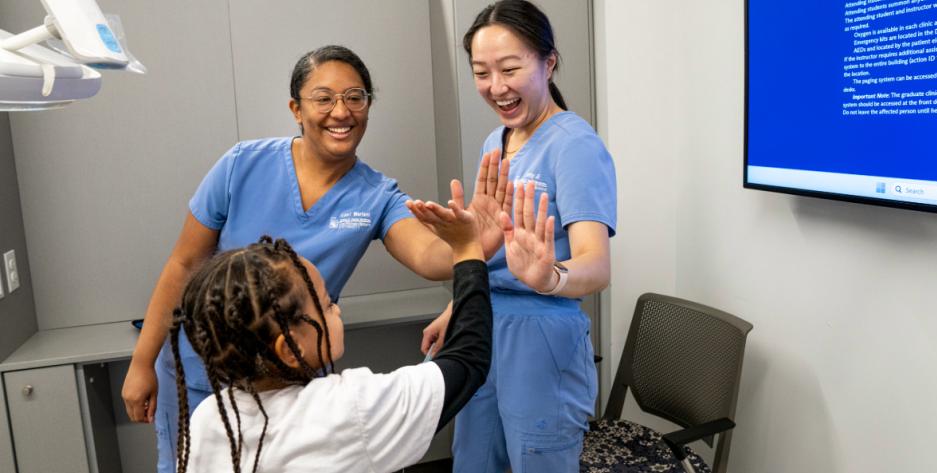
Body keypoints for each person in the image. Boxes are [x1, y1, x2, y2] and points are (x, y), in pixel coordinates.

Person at [121, 45, 510, 473]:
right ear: (296, 108)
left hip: (292, 376)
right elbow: (182, 266)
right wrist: (142, 362)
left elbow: (430, 255)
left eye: (355, 97)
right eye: (323, 98)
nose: (341, 111)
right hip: (203, 368)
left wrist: (472, 245)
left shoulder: (376, 195)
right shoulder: (241, 166)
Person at [417, 1, 617, 471]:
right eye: (481, 72)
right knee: (474, 458)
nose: (496, 87)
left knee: (536, 460)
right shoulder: (497, 142)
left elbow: (597, 265)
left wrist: (550, 277)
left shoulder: (574, 145)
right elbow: (488, 250)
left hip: (542, 336)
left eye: (510, 68)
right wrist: (458, 307)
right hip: (486, 324)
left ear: (548, 63)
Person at [173, 215, 490, 471]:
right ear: (289, 349)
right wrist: (467, 250)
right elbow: (467, 359)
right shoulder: (346, 410)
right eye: (325, 305)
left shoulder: (208, 419)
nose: (336, 309)